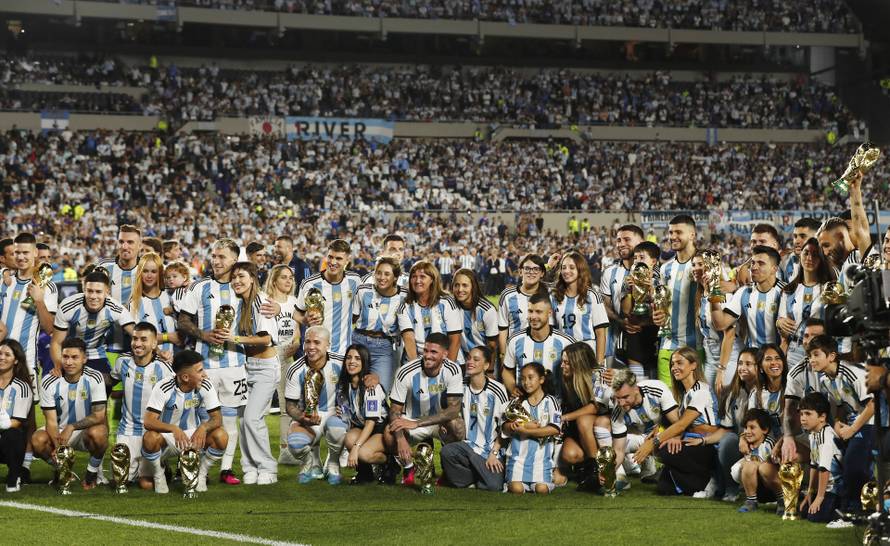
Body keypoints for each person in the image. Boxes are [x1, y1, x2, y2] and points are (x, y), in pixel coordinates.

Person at [177, 238, 248, 486]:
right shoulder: (200, 287)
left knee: (230, 420)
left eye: (222, 257)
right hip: (204, 365)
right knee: (200, 419)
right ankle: (195, 466)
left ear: (234, 260)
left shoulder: (243, 286)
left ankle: (226, 469)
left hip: (234, 364)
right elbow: (183, 320)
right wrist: (203, 335)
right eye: (214, 256)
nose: (216, 261)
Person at [0, 232, 59, 481]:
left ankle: (24, 465)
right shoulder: (4, 280)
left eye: (26, 252)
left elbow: (49, 327)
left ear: (35, 254)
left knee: (26, 415)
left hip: (25, 359)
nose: (21, 257)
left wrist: (40, 301)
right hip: (0, 355)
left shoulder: (45, 285)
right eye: (17, 252)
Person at [142, 350, 229, 494]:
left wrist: (203, 427)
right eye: (200, 371)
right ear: (185, 377)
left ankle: (201, 474)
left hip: (192, 437)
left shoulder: (205, 385)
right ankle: (159, 475)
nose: (205, 374)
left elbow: (217, 418)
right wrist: (173, 429)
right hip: (168, 438)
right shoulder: (164, 387)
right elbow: (148, 421)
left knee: (221, 436)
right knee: (149, 438)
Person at [633, 347, 718, 496]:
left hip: (707, 445)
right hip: (691, 442)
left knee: (665, 450)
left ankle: (711, 478)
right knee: (664, 488)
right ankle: (699, 480)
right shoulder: (684, 393)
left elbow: (681, 424)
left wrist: (654, 442)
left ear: (693, 365)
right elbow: (678, 424)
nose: (674, 368)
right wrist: (662, 432)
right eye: (672, 364)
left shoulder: (701, 391)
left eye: (679, 363)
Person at [383, 332, 464, 487]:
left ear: (445, 354)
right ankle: (408, 468)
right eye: (425, 350)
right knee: (389, 433)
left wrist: (418, 423)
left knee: (458, 426)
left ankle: (448, 471)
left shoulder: (453, 370)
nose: (427, 355)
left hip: (438, 422)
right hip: (411, 421)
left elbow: (454, 410)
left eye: (433, 352)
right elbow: (394, 411)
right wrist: (400, 440)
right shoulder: (406, 371)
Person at [808, 334, 873, 513]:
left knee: (853, 464)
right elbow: (839, 406)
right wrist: (837, 422)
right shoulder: (825, 379)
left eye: (816, 354)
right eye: (810, 356)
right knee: (835, 456)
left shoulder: (851, 372)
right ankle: (838, 502)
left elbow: (872, 404)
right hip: (851, 424)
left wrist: (852, 429)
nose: (811, 360)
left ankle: (853, 510)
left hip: (871, 423)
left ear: (831, 356)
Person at [32, 338, 108, 489]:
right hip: (59, 431)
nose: (69, 362)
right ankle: (62, 470)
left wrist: (72, 427)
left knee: (99, 433)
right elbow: (51, 421)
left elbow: (99, 415)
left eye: (74, 357)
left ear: (84, 359)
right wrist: (58, 449)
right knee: (37, 440)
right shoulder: (49, 381)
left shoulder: (95, 377)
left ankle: (91, 474)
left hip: (84, 431)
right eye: (65, 357)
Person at [108, 322, 173, 488]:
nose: (137, 343)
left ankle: (162, 466)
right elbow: (110, 382)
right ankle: (142, 468)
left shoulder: (163, 368)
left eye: (144, 339)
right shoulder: (122, 362)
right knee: (120, 481)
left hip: (150, 433)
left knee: (146, 485)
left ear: (154, 343)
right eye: (135, 339)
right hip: (127, 431)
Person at [231, 262, 279, 485]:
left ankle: (268, 468)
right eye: (234, 277)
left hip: (265, 367)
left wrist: (234, 339)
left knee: (252, 418)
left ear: (252, 278)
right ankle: (249, 467)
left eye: (241, 276)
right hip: (246, 366)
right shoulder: (239, 303)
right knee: (243, 420)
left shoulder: (261, 300)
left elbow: (265, 339)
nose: (236, 281)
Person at [284, 326, 347, 485]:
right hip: (306, 415)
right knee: (296, 443)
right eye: (307, 342)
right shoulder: (295, 369)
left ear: (328, 345)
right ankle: (310, 463)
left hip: (334, 414)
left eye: (317, 342)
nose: (311, 347)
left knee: (338, 428)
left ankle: (333, 464)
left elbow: (359, 379)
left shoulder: (342, 362)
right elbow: (290, 406)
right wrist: (302, 417)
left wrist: (372, 377)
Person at [440, 346, 508, 491]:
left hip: (489, 450)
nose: (470, 362)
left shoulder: (498, 390)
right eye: (469, 358)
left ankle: (472, 477)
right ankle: (475, 476)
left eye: (476, 359)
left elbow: (505, 428)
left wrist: (494, 453)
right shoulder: (459, 386)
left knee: (494, 486)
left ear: (486, 365)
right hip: (467, 446)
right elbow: (446, 409)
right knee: (447, 452)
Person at [51, 271, 136, 381]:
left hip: (96, 353)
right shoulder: (68, 306)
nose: (93, 296)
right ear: (84, 290)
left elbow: (137, 334)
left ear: (107, 292)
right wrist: (58, 365)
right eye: (89, 291)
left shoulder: (116, 309)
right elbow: (56, 342)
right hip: (70, 354)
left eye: (98, 292)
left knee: (105, 383)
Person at [609, 368, 679, 487]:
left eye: (625, 397)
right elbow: (619, 450)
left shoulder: (657, 389)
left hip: (663, 435)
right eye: (618, 398)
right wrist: (608, 472)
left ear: (636, 389)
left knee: (674, 442)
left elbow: (678, 424)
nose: (621, 403)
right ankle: (622, 476)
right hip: (642, 437)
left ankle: (669, 471)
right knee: (611, 445)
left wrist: (655, 439)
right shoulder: (618, 411)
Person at [557, 342, 611, 491]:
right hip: (578, 429)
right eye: (562, 361)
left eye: (567, 363)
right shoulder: (565, 378)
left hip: (602, 425)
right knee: (570, 455)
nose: (562, 366)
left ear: (578, 363)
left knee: (584, 420)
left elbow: (595, 406)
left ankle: (596, 471)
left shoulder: (600, 374)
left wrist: (565, 417)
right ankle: (586, 468)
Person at [707, 349, 759, 502]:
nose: (742, 368)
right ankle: (731, 489)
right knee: (727, 440)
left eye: (748, 364)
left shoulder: (765, 392)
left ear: (759, 367)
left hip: (763, 443)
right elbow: (726, 429)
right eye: (740, 363)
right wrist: (703, 440)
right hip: (741, 446)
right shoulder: (733, 393)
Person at [503, 362, 562, 495]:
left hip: (541, 461)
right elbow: (504, 427)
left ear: (541, 380)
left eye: (530, 378)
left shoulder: (551, 401)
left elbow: (554, 429)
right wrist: (512, 426)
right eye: (523, 378)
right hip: (518, 459)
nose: (526, 382)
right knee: (516, 489)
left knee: (542, 489)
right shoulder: (517, 401)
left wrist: (526, 431)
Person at [652, 216, 699, 385]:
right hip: (668, 345)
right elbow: (661, 303)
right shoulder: (665, 268)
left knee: (695, 398)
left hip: (696, 347)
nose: (673, 236)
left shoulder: (705, 264)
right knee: (667, 399)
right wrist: (657, 315)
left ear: (692, 235)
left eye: (678, 232)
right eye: (671, 232)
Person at [295, 239, 362, 356]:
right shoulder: (309, 283)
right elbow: (296, 314)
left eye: (339, 258)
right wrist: (306, 320)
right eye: (330, 257)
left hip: (343, 351)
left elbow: (356, 313)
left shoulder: (355, 281)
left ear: (347, 260)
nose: (333, 262)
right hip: (316, 351)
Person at [502, 291, 575, 398]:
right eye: (530, 311)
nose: (533, 316)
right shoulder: (515, 340)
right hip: (525, 402)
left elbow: (578, 373)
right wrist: (513, 388)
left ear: (549, 313)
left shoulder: (565, 342)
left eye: (538, 312)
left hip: (558, 403)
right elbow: (507, 371)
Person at [710, 246, 783, 349]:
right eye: (752, 263)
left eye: (761, 263)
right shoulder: (743, 292)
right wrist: (713, 294)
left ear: (774, 269)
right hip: (752, 356)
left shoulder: (785, 292)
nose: (754, 267)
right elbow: (721, 324)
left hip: (777, 356)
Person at [263, 264, 300, 463]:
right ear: (274, 280)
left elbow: (297, 330)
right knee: (261, 407)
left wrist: (296, 343)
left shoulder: (294, 302)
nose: (288, 280)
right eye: (284, 277)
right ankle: (258, 453)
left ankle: (285, 451)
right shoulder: (265, 301)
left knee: (288, 406)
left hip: (287, 356)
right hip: (268, 355)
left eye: (291, 277)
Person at [777, 238, 834, 368]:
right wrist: (779, 322)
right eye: (806, 253)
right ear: (800, 255)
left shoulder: (829, 289)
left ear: (821, 259)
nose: (809, 258)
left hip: (821, 350)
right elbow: (782, 322)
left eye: (815, 255)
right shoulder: (789, 290)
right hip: (794, 350)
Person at [352, 257, 405, 393]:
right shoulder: (363, 291)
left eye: (387, 274)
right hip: (358, 343)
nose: (381, 277)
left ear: (395, 277)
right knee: (353, 388)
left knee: (378, 392)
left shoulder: (404, 296)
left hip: (383, 348)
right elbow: (352, 319)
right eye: (378, 273)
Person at [339, 344, 388, 485]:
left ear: (364, 362)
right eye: (349, 358)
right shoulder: (344, 385)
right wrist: (342, 411)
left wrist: (355, 448)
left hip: (379, 428)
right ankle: (365, 474)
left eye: (357, 358)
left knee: (362, 453)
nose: (352, 362)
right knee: (349, 438)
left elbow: (371, 423)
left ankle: (389, 462)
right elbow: (348, 412)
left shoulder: (371, 387)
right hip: (362, 426)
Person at [779, 318, 826, 464]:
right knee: (786, 457)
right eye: (806, 336)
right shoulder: (796, 373)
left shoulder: (839, 368)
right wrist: (787, 437)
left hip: (844, 431)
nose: (808, 340)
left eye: (814, 336)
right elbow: (789, 410)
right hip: (813, 435)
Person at [96, 225, 142, 369]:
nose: (124, 246)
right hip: (109, 342)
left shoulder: (146, 269)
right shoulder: (104, 267)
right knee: (109, 382)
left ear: (140, 246)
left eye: (130, 242)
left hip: (139, 344)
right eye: (121, 241)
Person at [397, 260, 461, 363]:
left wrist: (448, 367)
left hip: (444, 359)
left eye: (422, 277)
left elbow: (455, 339)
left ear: (432, 279)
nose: (417, 281)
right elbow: (408, 339)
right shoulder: (405, 306)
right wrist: (415, 367)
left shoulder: (447, 302)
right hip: (416, 359)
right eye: (414, 277)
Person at [690, 250, 737, 389]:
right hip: (710, 357)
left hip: (727, 358)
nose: (695, 268)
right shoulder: (700, 293)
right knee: (709, 397)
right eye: (693, 264)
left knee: (723, 397)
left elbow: (730, 334)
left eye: (700, 264)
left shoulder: (722, 293)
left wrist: (722, 369)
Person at [552, 251, 608, 365]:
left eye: (572, 267)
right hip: (562, 355)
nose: (566, 271)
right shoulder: (554, 296)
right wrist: (548, 266)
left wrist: (599, 364)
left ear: (580, 270)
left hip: (586, 354)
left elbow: (601, 333)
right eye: (563, 267)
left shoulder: (592, 295)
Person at [797, 392, 845, 525]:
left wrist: (819, 497)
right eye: (801, 414)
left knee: (814, 516)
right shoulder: (813, 434)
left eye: (808, 414)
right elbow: (814, 465)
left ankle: (843, 510)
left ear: (822, 417)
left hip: (836, 489)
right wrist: (810, 492)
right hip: (824, 488)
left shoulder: (827, 436)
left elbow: (824, 469)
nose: (803, 418)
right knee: (803, 511)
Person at [600, 226, 645, 367]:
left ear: (641, 242)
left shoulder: (655, 271)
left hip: (647, 340)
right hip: (615, 341)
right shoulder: (609, 273)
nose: (621, 244)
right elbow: (604, 305)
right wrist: (620, 321)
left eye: (627, 239)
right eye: (619, 240)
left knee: (646, 379)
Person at [620, 241, 662, 380]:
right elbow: (626, 310)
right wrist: (629, 290)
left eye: (642, 257)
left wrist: (651, 289)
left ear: (653, 262)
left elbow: (663, 310)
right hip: (635, 334)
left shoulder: (662, 279)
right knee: (637, 380)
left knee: (654, 378)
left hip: (655, 333)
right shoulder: (629, 279)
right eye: (635, 258)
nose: (637, 261)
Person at [129, 252, 181, 354]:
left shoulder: (172, 295)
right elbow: (139, 337)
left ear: (160, 273)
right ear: (140, 273)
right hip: (149, 359)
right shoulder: (134, 303)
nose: (149, 275)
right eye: (145, 271)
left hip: (176, 358)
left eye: (153, 271)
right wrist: (168, 337)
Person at [0, 339, 34, 492]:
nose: (2, 357)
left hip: (9, 441)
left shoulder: (22, 387)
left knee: (13, 434)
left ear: (16, 360)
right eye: (0, 353)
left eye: (7, 354)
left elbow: (17, 422)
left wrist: (3, 423)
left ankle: (14, 477)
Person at [497, 254, 548, 356]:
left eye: (536, 269)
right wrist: (503, 356)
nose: (531, 272)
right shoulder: (507, 295)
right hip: (516, 354)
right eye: (527, 268)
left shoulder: (550, 294)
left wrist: (549, 265)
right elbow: (502, 330)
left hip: (544, 353)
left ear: (542, 273)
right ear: (520, 272)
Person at [451, 268, 498, 369]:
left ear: (473, 286)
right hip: (462, 361)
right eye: (456, 285)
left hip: (484, 361)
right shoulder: (451, 307)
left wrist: (490, 370)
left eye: (465, 285)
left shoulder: (487, 310)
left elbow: (492, 345)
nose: (460, 289)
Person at [735, 408, 777, 513]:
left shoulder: (769, 444)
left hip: (771, 489)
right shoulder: (746, 444)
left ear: (765, 429)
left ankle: (782, 500)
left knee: (759, 467)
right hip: (757, 488)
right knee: (741, 467)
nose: (747, 431)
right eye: (746, 428)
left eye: (752, 427)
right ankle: (751, 501)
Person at [748, 344, 787, 440]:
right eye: (768, 359)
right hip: (765, 442)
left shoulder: (792, 388)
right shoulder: (756, 393)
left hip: (791, 441)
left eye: (778, 358)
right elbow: (750, 425)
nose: (774, 362)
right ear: (760, 367)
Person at [781, 218, 822, 282]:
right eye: (795, 236)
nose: (796, 241)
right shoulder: (788, 262)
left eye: (803, 236)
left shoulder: (829, 266)